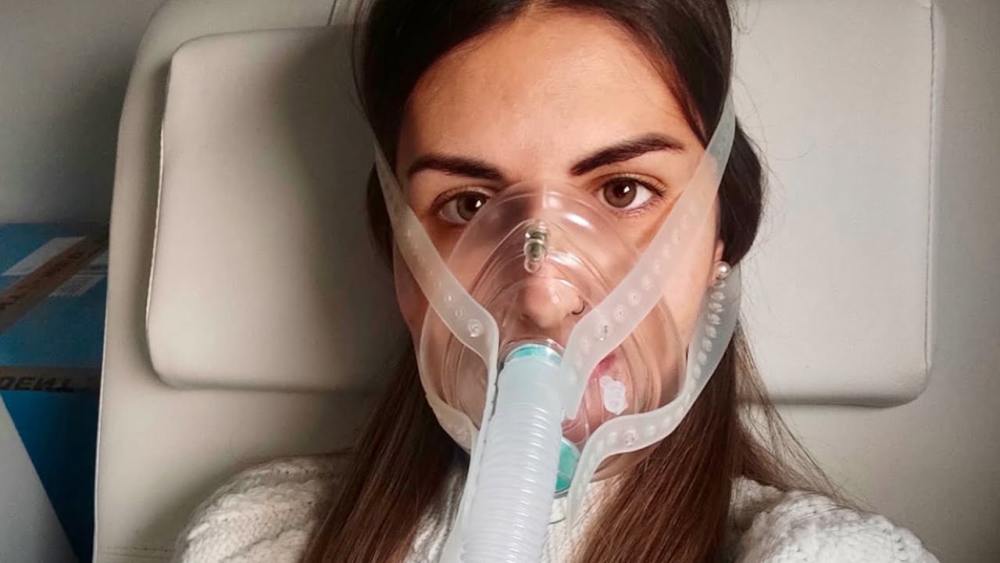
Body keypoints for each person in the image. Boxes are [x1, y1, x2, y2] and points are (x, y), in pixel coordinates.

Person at [173, 1, 939, 561]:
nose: (543, 298)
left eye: (623, 190)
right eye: (467, 205)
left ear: (721, 231)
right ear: (397, 250)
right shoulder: (262, 540)